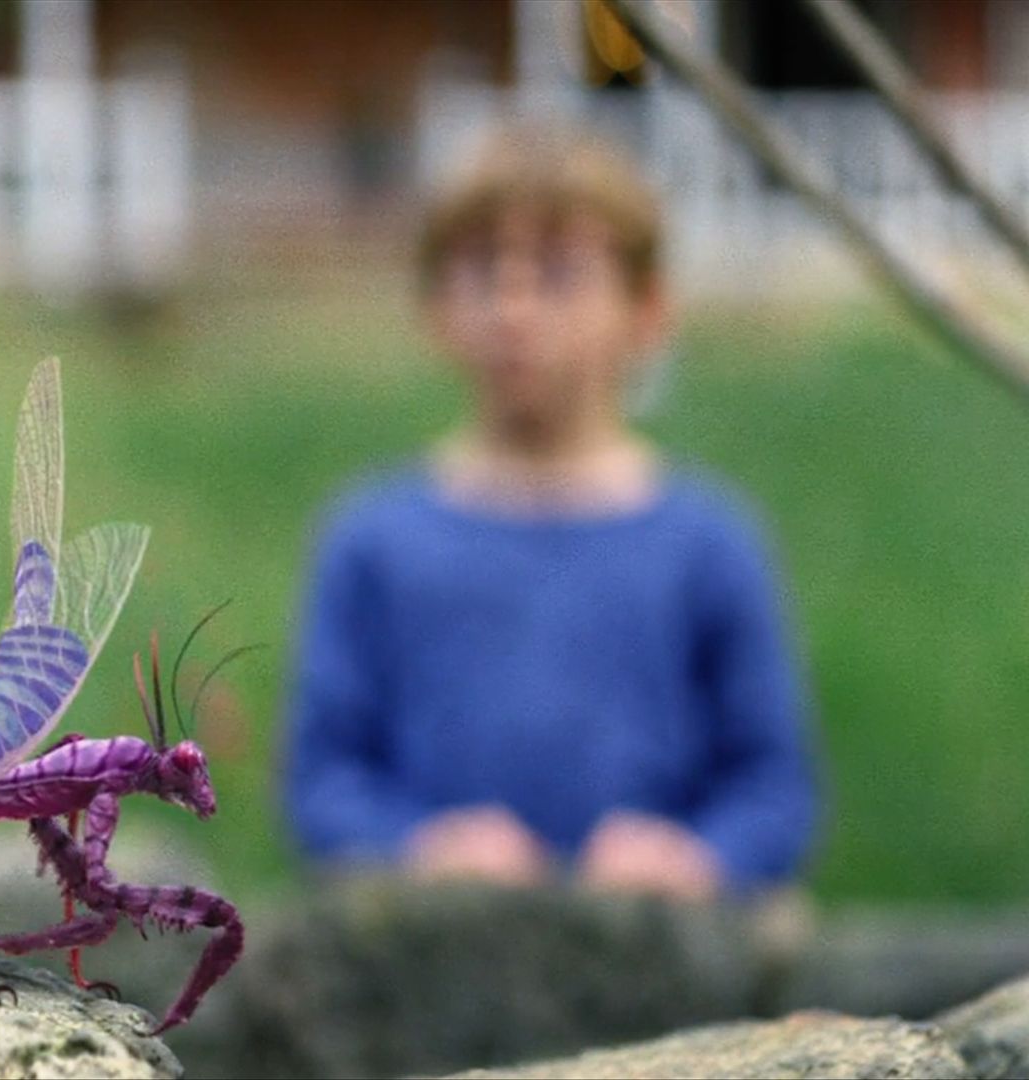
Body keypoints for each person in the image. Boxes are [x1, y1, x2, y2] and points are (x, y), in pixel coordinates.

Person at [281, 125, 818, 901]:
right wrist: (414, 846)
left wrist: (698, 859)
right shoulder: (371, 541)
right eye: (483, 270)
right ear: (436, 306)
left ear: (648, 309)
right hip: (432, 960)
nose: (514, 307)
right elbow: (324, 783)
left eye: (560, 273)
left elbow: (773, 791)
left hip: (663, 969)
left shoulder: (708, 544)